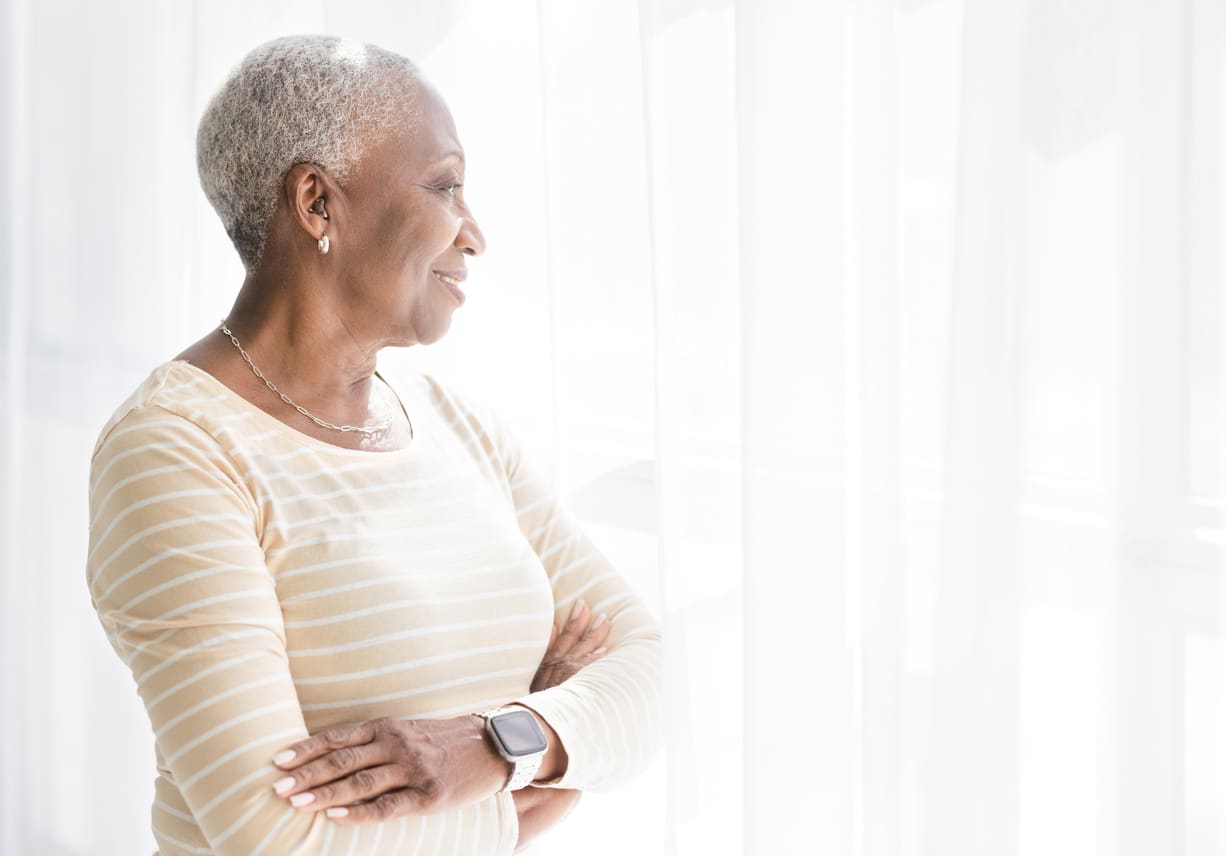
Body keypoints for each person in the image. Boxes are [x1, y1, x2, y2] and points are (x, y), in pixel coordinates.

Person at [85, 34, 661, 855]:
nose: (475, 235)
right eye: (445, 186)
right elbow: (277, 837)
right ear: (318, 202)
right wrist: (556, 769)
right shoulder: (173, 452)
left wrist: (495, 745)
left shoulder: (459, 426)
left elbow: (648, 671)